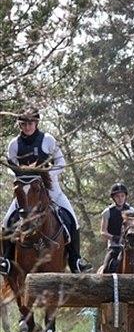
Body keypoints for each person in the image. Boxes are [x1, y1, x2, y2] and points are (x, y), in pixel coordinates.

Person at [1, 108, 91, 274]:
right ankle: (6, 259)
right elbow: (9, 167)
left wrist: (46, 174)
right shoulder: (14, 144)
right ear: (19, 125)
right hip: (25, 191)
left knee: (72, 219)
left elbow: (61, 162)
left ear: (36, 123)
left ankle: (75, 259)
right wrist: (20, 173)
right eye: (23, 124)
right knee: (7, 221)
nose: (27, 127)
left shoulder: (48, 140)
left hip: (51, 189)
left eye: (30, 123)